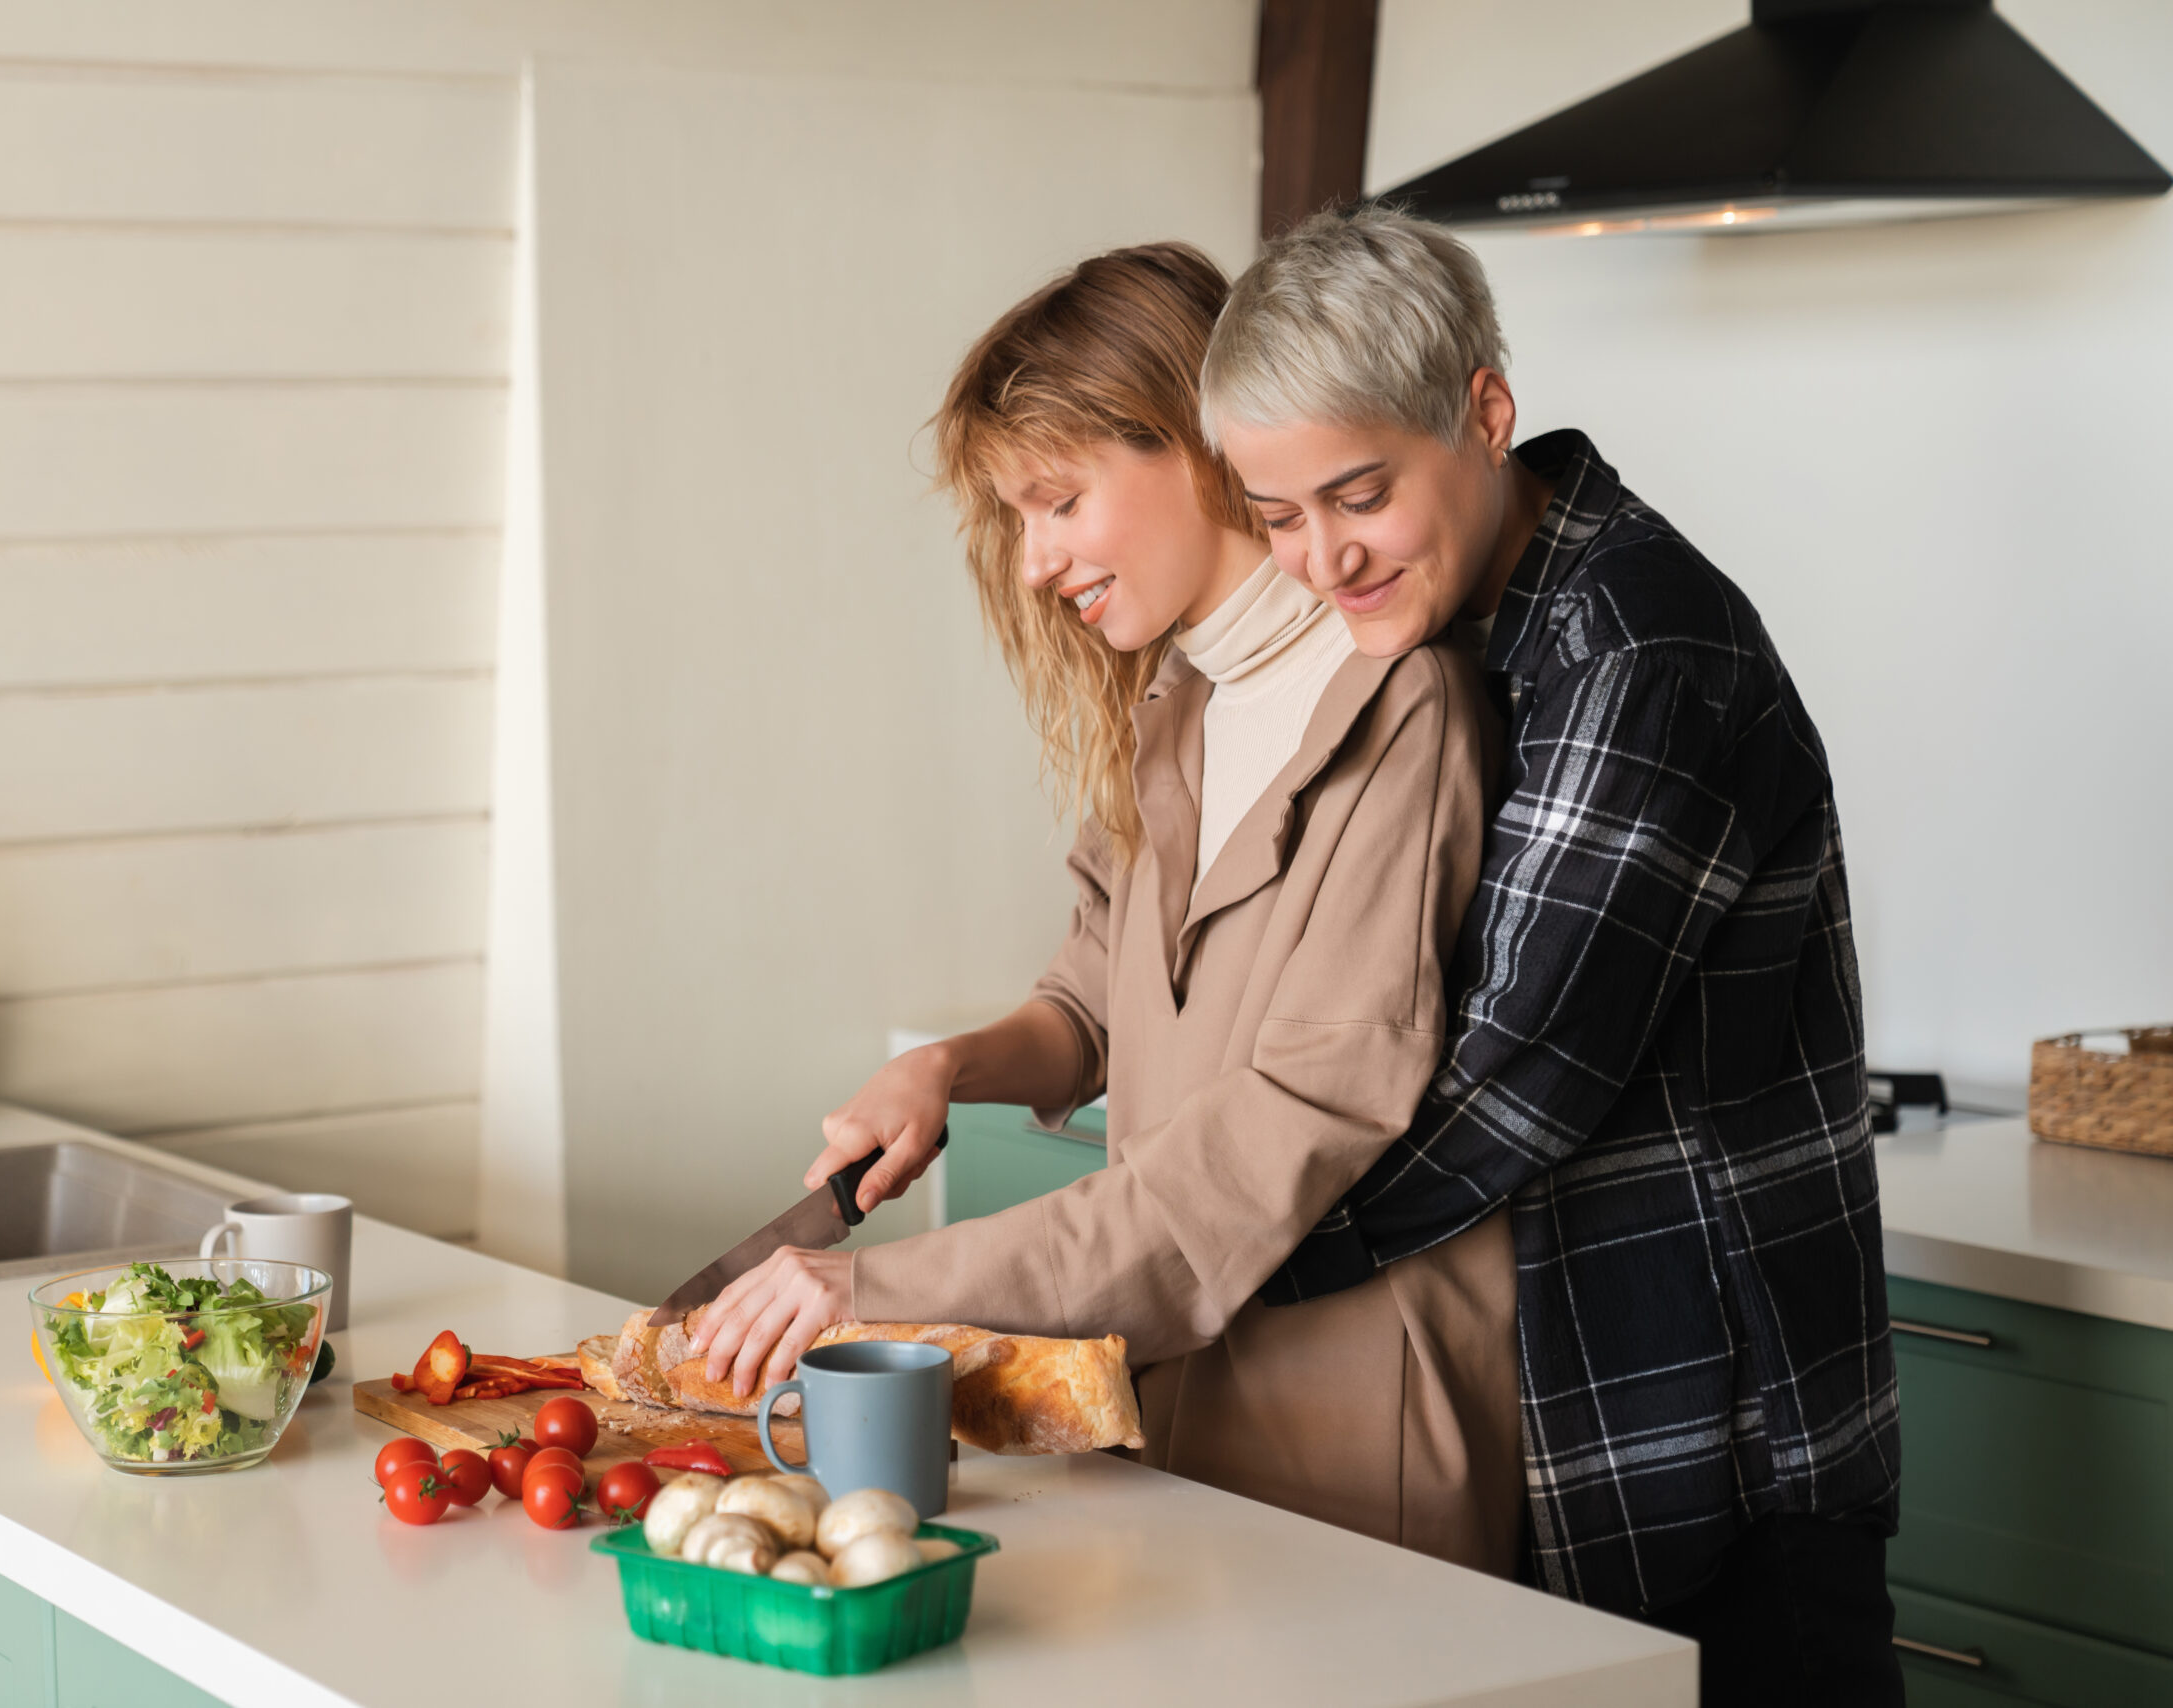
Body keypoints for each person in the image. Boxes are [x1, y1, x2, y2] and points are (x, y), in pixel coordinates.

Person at [690, 241, 1522, 1572]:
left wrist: (880, 1287)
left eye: (1059, 502)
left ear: (1194, 445)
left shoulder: (1401, 713)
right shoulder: (1175, 709)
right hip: (1172, 1404)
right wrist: (946, 1068)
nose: (1034, 564)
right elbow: (1093, 996)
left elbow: (1276, 1140)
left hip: (1355, 1431)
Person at [1196, 207, 1901, 1705]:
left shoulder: (1638, 649)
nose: (1321, 557)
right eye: (1275, 515)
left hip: (1720, 1461)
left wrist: (1185, 1252)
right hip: (1593, 1431)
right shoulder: (1466, 630)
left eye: (1358, 493)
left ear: (1486, 412)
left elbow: (1510, 1084)